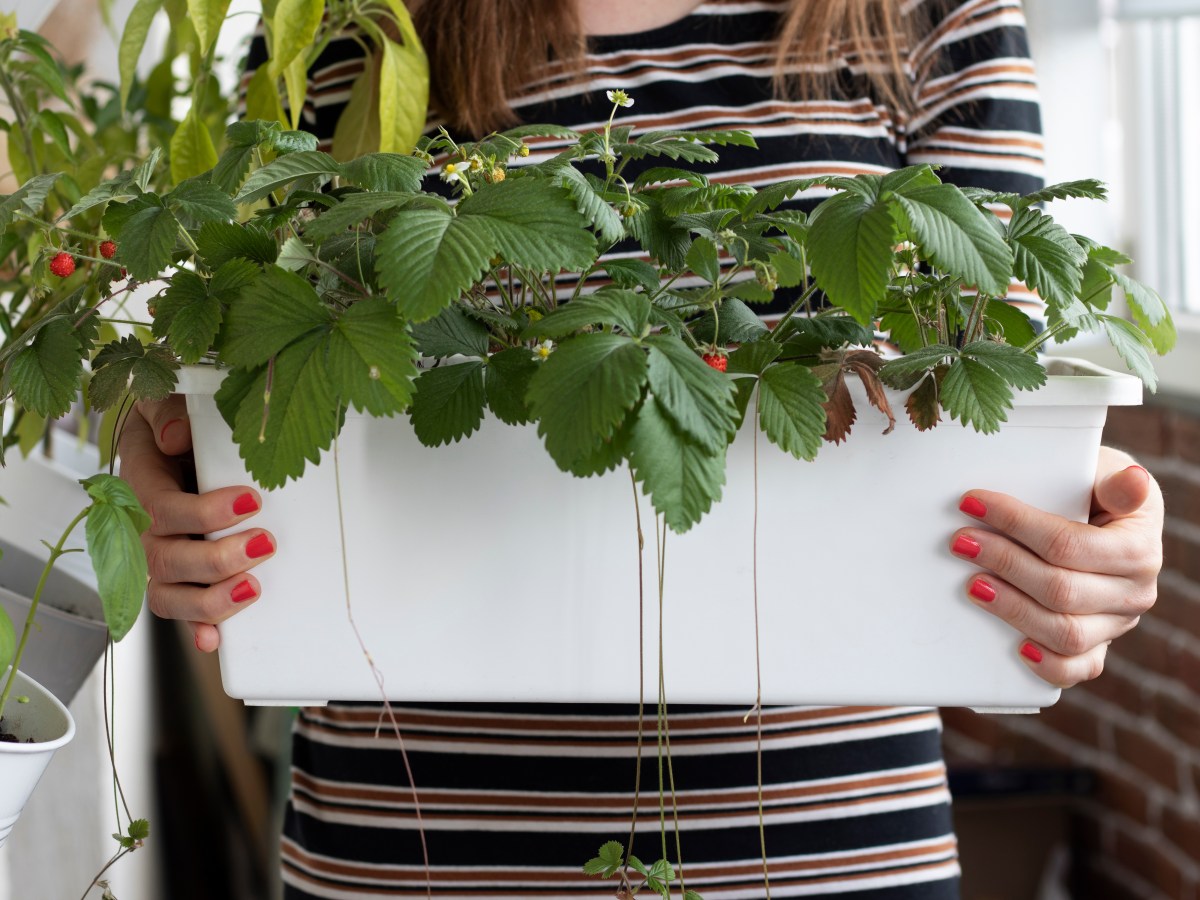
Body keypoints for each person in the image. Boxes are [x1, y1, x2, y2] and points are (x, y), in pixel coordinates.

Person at [119, 0, 1165, 896]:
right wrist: (166, 456)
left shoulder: (930, 15)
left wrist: (1085, 545)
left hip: (824, 849)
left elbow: (996, 377)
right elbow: (247, 332)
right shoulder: (365, 25)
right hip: (417, 847)